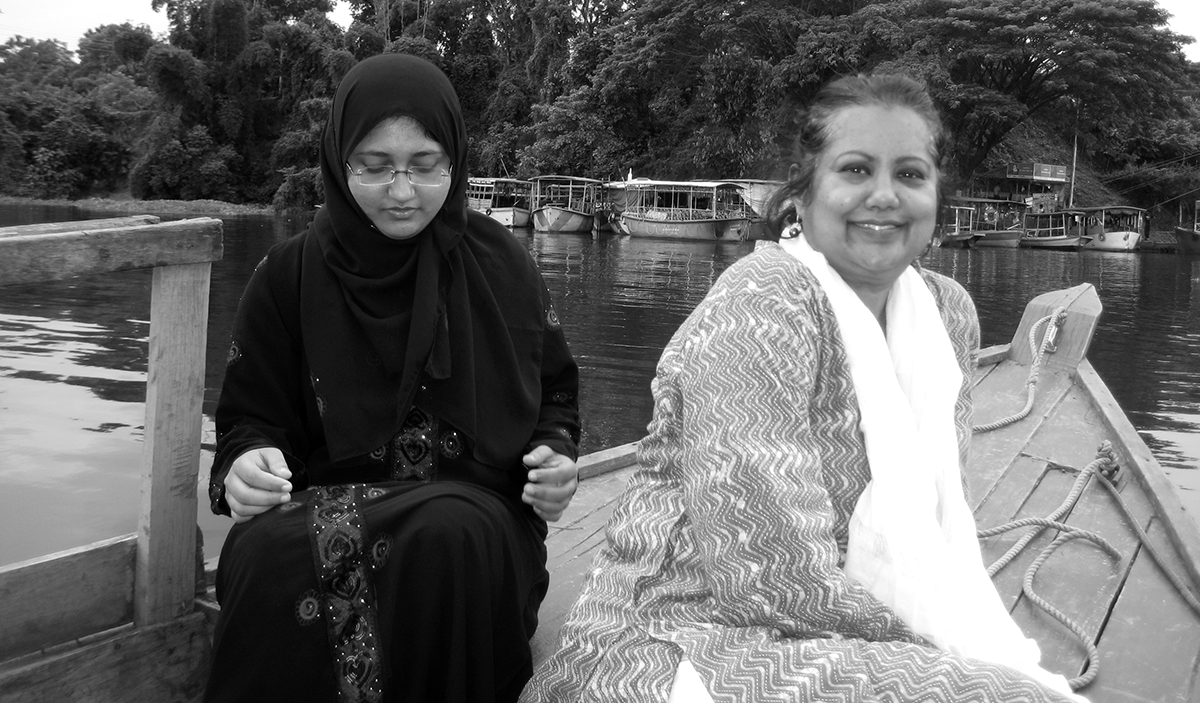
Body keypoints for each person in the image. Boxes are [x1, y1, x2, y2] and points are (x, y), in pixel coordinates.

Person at [522, 73, 1082, 702]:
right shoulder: (763, 302)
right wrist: (926, 648)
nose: (884, 195)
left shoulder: (947, 312)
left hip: (844, 619)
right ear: (804, 191)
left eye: (910, 174)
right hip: (679, 632)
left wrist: (939, 637)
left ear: (936, 195)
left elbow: (936, 510)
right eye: (855, 170)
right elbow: (767, 575)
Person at [204, 53, 581, 703]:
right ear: (339, 161)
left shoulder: (504, 267)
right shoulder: (287, 277)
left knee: (446, 534)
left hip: (477, 513)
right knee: (259, 553)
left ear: (454, 162)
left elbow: (557, 394)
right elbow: (248, 418)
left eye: (425, 165)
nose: (402, 192)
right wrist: (244, 464)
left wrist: (557, 456)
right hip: (322, 502)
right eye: (375, 167)